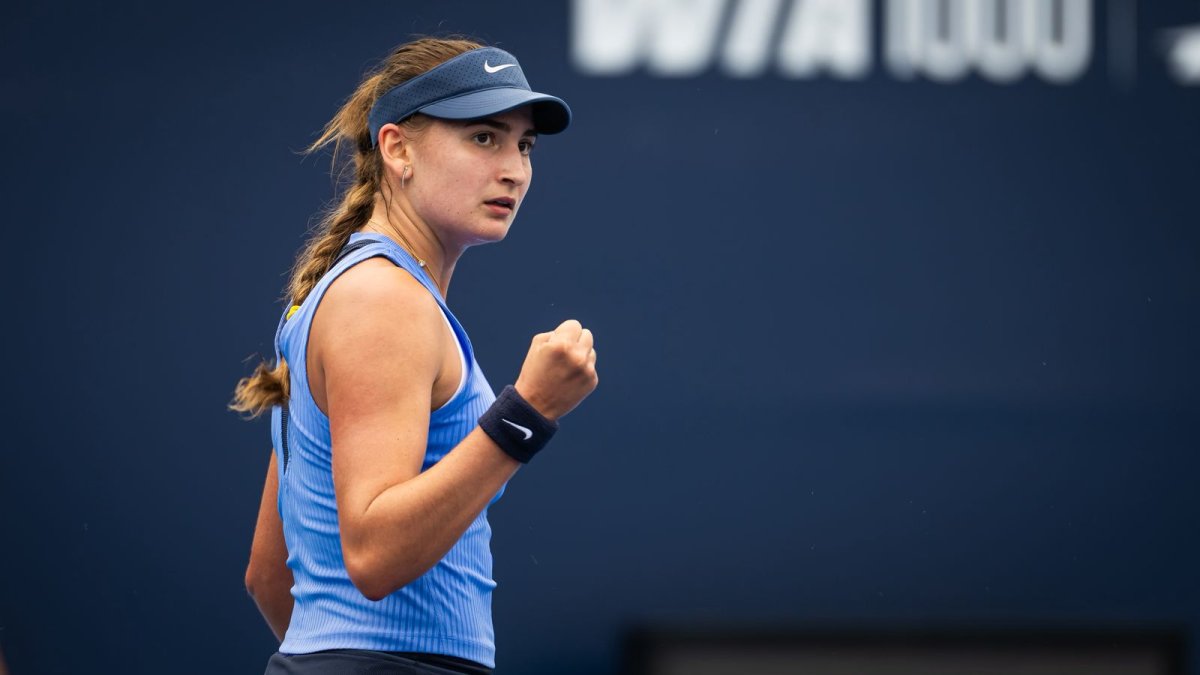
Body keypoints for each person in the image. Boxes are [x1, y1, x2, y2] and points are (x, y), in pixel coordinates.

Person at [231, 37, 598, 674]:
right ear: (397, 149)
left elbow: (270, 574)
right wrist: (528, 411)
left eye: (524, 145)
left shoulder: (357, 292)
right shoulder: (383, 299)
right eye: (483, 137)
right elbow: (375, 556)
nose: (513, 169)